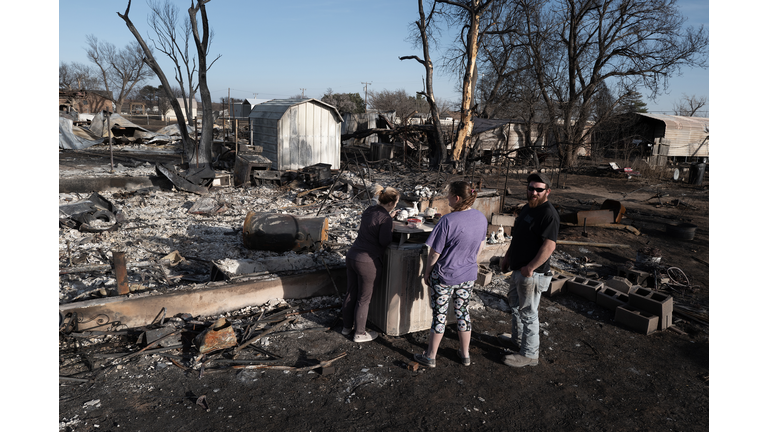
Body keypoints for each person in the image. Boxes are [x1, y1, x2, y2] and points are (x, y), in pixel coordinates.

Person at [414, 181, 488, 368]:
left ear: (457, 198)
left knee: (440, 315)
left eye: (448, 195)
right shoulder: (481, 217)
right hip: (468, 275)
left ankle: (430, 356)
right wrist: (467, 261)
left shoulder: (447, 221)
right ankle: (465, 354)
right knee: (463, 312)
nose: (446, 198)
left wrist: (427, 272)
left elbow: (434, 253)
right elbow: (480, 247)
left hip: (444, 276)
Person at [500, 172, 559, 368]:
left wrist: (531, 267)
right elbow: (518, 237)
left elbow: (549, 246)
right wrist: (507, 256)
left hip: (532, 273)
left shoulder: (548, 214)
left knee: (528, 313)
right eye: (531, 188)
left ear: (547, 191)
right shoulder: (528, 207)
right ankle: (518, 340)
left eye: (539, 190)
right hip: (519, 268)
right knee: (515, 306)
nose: (534, 192)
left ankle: (530, 354)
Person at [341, 187, 400, 343]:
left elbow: (374, 222)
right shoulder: (386, 219)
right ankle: (360, 333)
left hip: (352, 255)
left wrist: (389, 217)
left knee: (351, 293)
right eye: (396, 202)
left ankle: (346, 327)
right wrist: (390, 224)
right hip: (367, 261)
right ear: (392, 203)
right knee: (364, 299)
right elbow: (384, 241)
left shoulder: (369, 210)